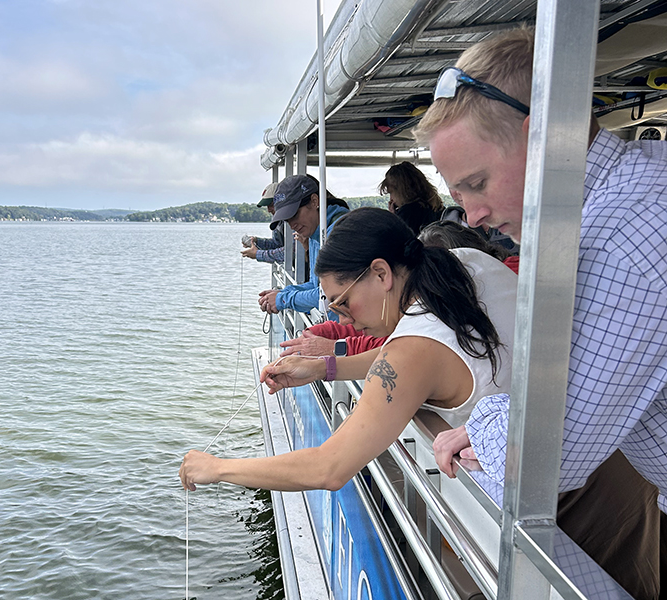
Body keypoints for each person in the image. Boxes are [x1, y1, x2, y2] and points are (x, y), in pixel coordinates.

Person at [413, 27, 666, 598]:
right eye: (459, 197)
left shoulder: (624, 237)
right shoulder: (640, 182)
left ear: (546, 139)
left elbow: (544, 462)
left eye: (477, 184)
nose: (471, 217)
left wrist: (485, 420)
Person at [181, 207, 517, 494]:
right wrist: (323, 367)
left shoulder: (412, 352)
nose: (347, 321)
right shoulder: (463, 265)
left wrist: (218, 468)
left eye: (343, 303)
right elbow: (421, 357)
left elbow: (328, 468)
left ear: (381, 273)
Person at [278, 219, 520, 359]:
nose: (343, 320)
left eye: (343, 303)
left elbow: (390, 351)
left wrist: (333, 352)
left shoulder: (431, 321)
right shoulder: (418, 315)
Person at [257, 175, 349, 315]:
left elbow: (330, 294)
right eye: (287, 221)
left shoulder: (340, 232)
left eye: (295, 215)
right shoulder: (314, 232)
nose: (293, 225)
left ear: (314, 201)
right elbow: (315, 285)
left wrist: (282, 298)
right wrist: (283, 292)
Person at [379, 161, 444, 235]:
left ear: (400, 192)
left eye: (391, 193)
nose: (391, 199)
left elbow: (395, 240)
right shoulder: (437, 209)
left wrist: (394, 218)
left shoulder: (408, 213)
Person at [241, 182, 284, 263]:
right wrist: (256, 241)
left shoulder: (292, 221)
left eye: (271, 205)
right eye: (267, 206)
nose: (268, 210)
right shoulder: (279, 221)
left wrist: (258, 254)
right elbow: (276, 244)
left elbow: (289, 252)